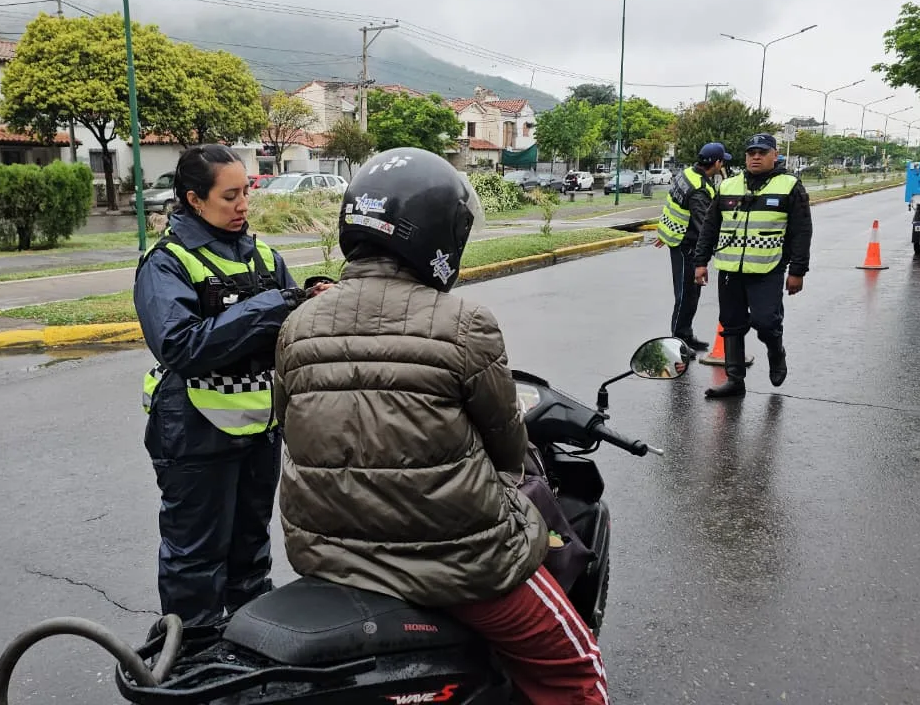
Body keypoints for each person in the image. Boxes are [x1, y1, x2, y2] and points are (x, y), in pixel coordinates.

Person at [273, 147, 609, 705]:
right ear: (435, 233)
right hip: (457, 560)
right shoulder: (463, 322)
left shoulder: (299, 323)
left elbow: (292, 424)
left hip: (328, 552)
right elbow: (507, 446)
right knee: (574, 670)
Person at [133, 144, 330, 626]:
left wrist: (310, 299)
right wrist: (274, 306)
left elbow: (288, 328)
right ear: (194, 200)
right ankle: (192, 657)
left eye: (247, 192)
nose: (243, 205)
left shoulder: (263, 254)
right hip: (195, 432)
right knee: (195, 557)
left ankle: (250, 648)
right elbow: (181, 346)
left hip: (260, 430)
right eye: (230, 196)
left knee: (251, 548)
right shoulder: (166, 263)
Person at [694, 134, 813, 399]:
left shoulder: (790, 186)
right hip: (730, 270)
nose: (756, 157)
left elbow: (801, 231)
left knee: (766, 322)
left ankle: (776, 351)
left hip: (767, 269)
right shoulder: (728, 186)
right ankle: (735, 380)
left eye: (762, 152)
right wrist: (700, 262)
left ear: (775, 155)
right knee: (731, 324)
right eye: (751, 152)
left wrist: (797, 271)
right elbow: (710, 227)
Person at [653, 142, 731, 350]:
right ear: (717, 163)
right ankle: (678, 341)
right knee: (686, 295)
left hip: (676, 239)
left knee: (690, 294)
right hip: (685, 245)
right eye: (722, 162)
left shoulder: (687, 173)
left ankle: (685, 334)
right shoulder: (699, 190)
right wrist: (713, 252)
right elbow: (704, 226)